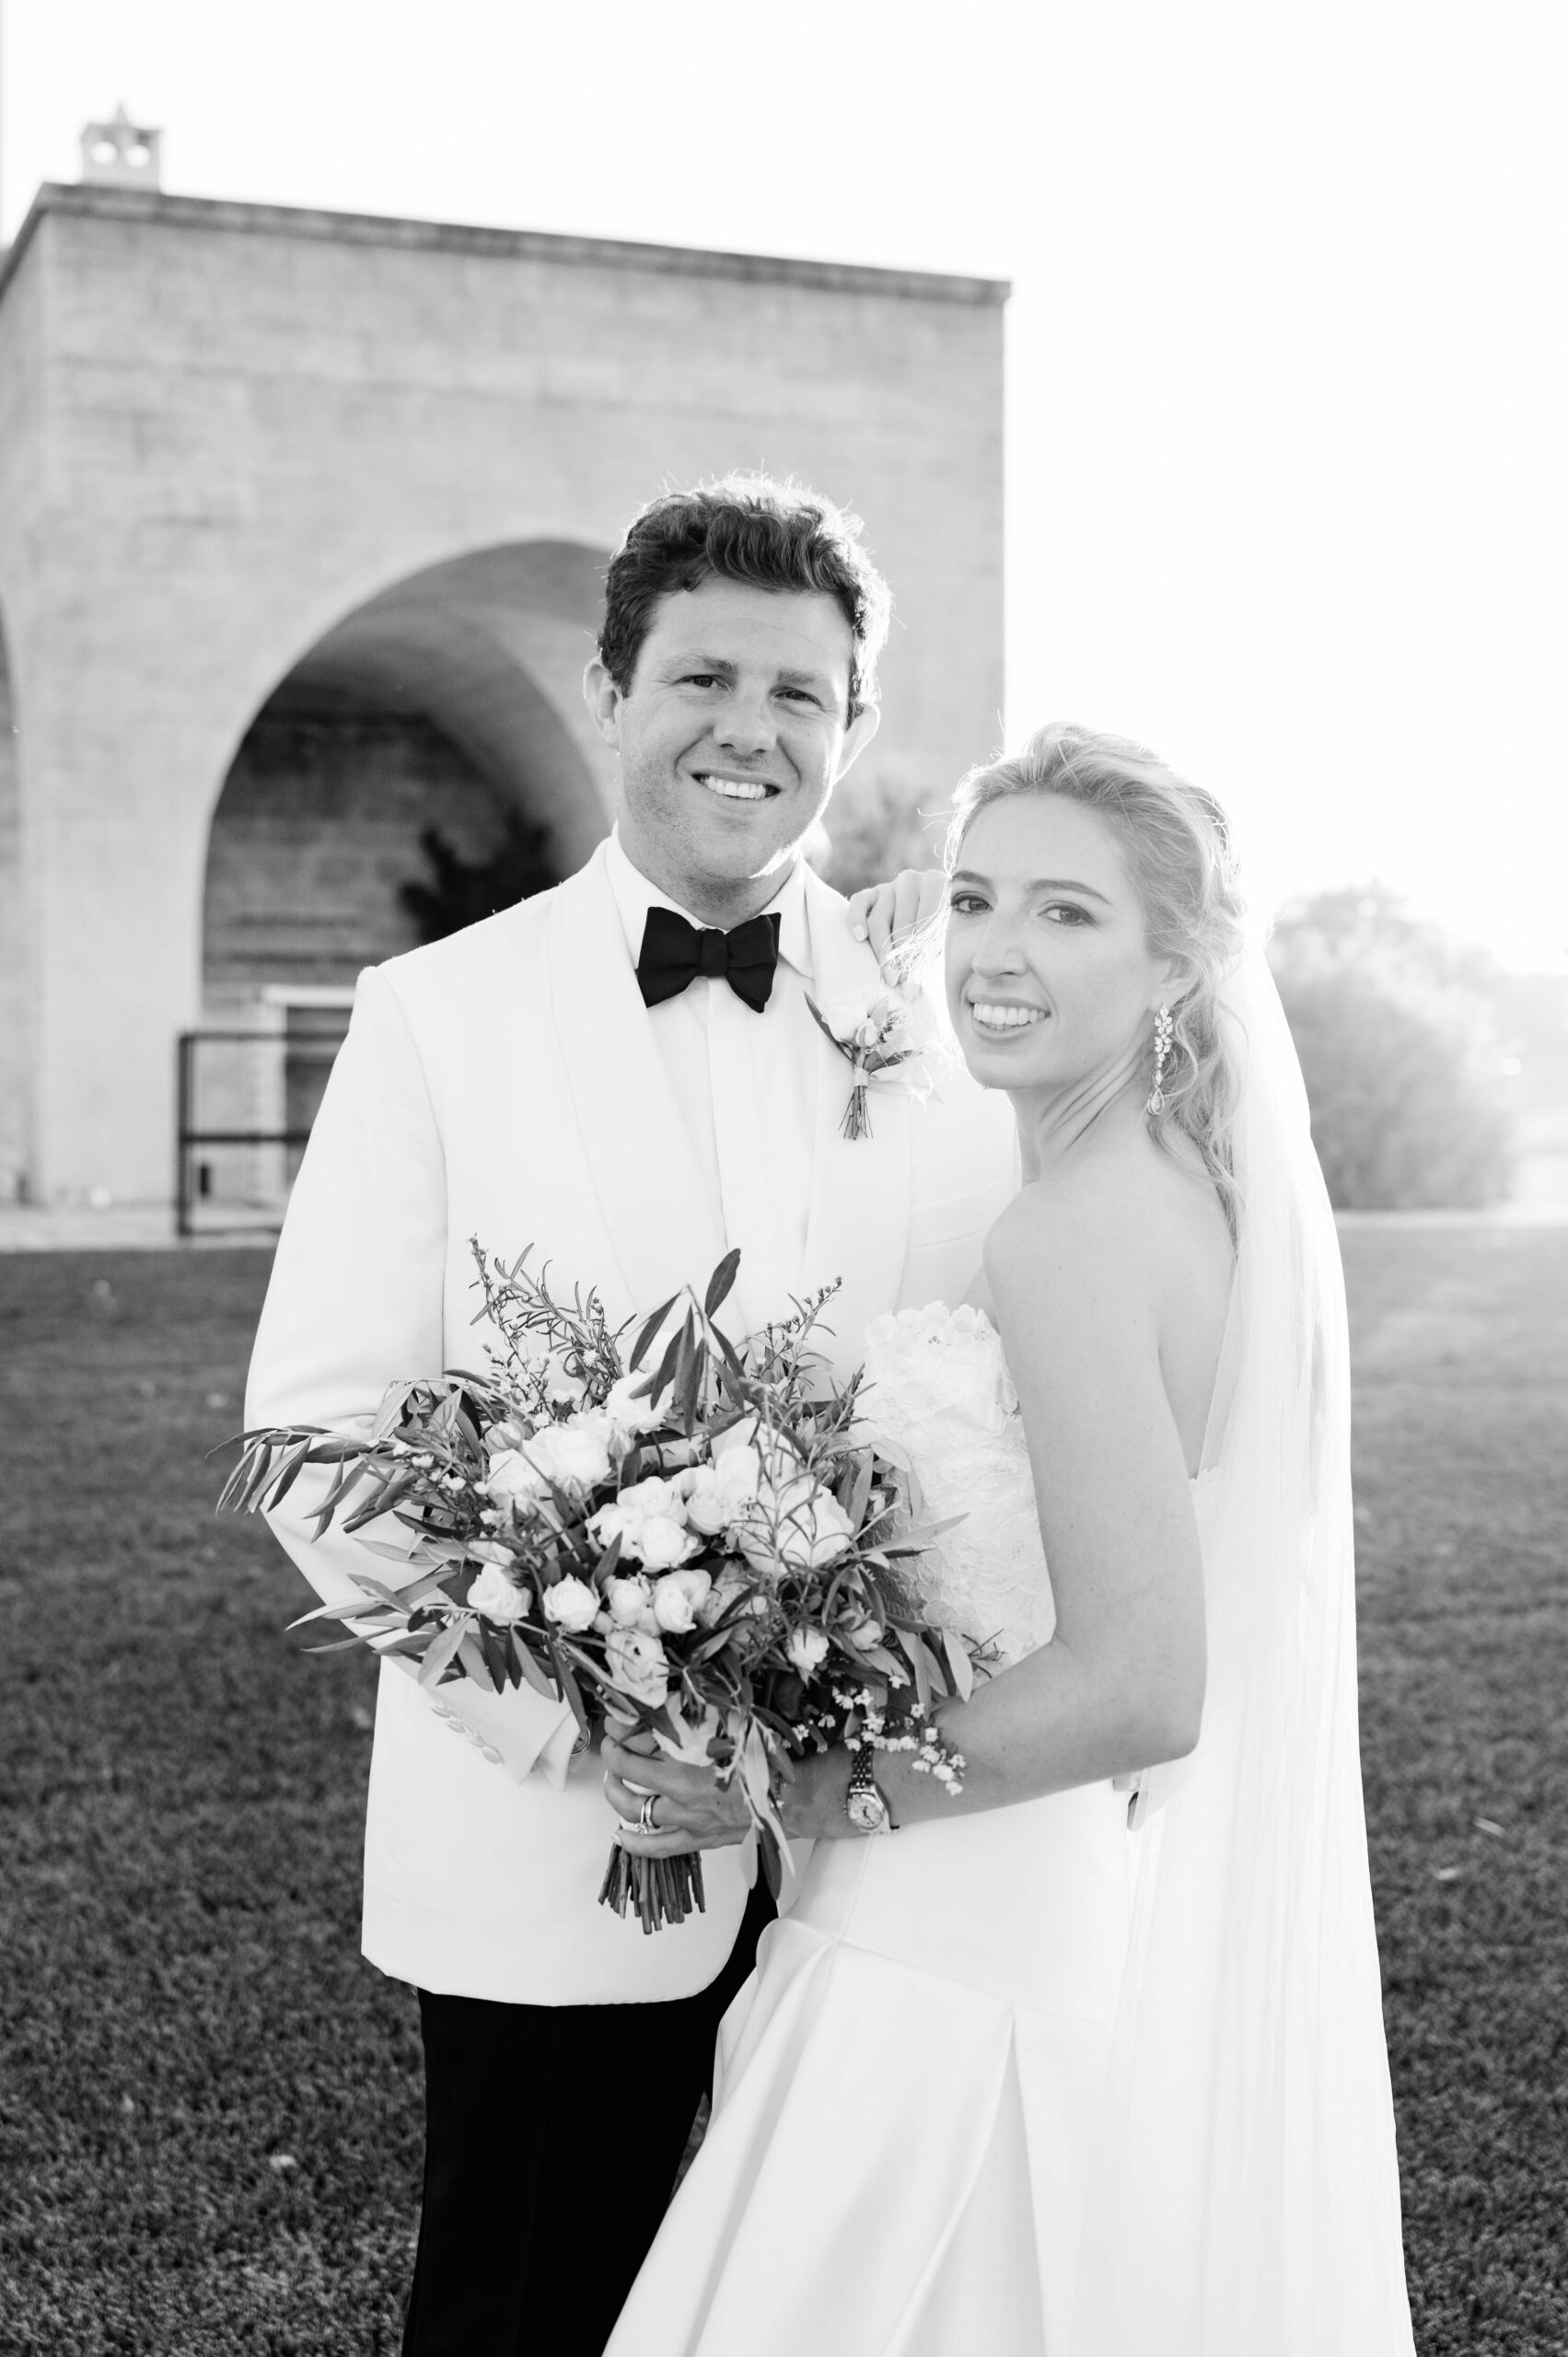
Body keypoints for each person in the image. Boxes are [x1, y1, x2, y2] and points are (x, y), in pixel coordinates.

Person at [243, 472, 1016, 2357]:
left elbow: (990, 1386)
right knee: (526, 2296)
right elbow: (317, 1421)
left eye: (802, 694)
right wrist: (587, 1714)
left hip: (879, 1850)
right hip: (553, 1844)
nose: (750, 730)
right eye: (704, 676)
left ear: (854, 728)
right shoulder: (435, 1014)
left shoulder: (937, 1021)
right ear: (611, 688)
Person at [599, 724, 1417, 2356]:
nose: (994, 950)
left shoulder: (1070, 1234)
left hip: (954, 1951)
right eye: (976, 900)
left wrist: (788, 1789)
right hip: (1037, 1903)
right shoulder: (1183, 1191)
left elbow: (1140, 1687)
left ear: (1180, 964)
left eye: (1068, 913)